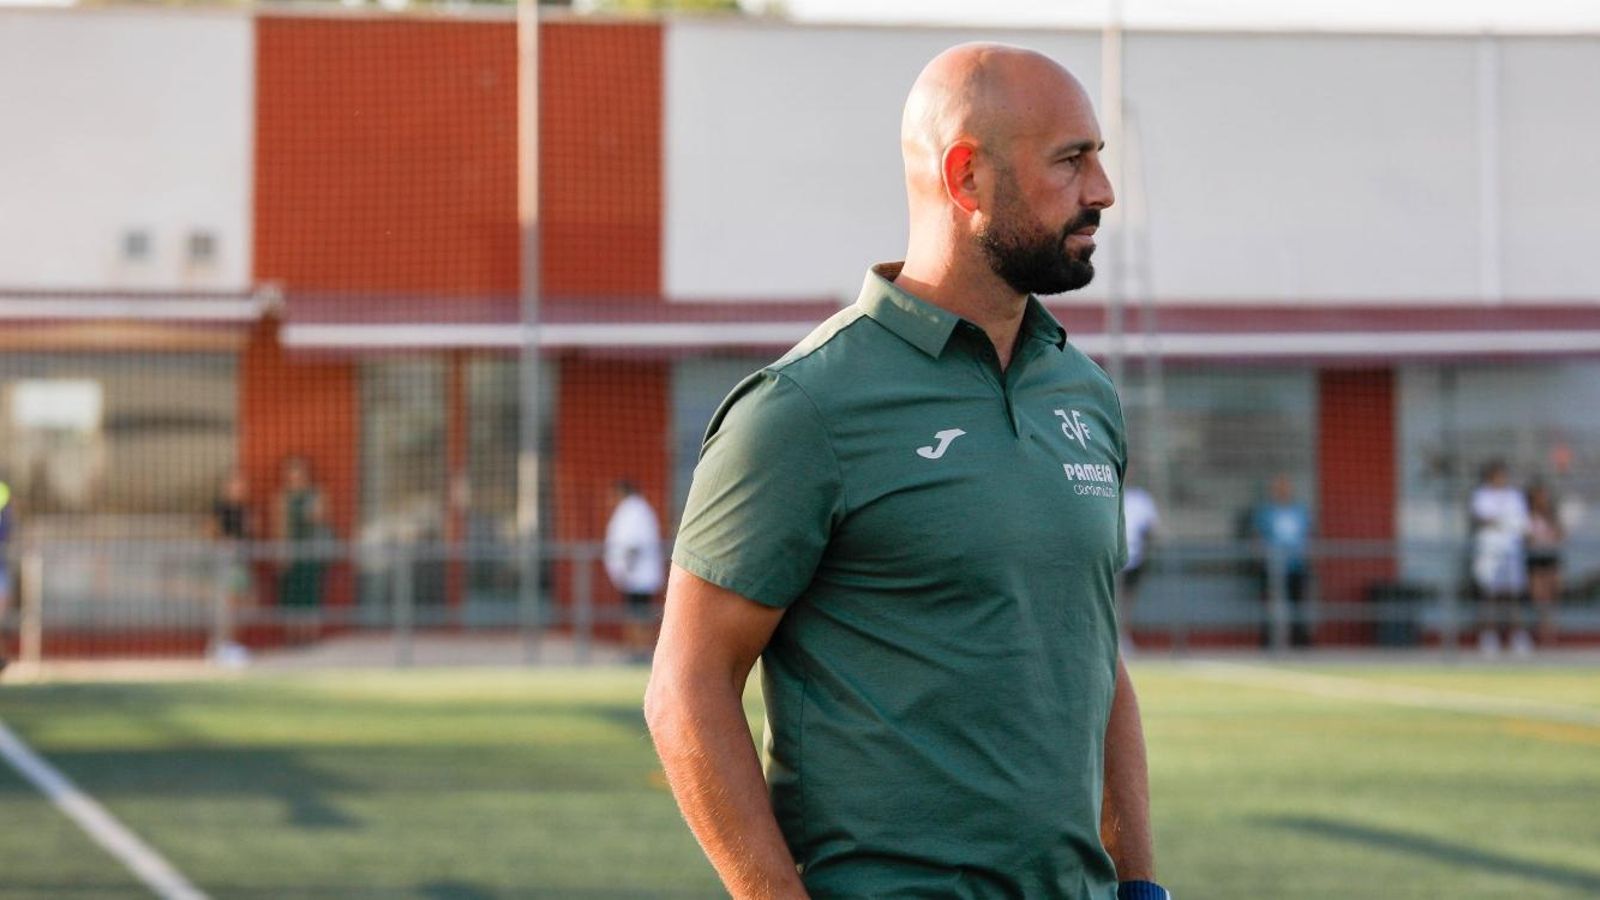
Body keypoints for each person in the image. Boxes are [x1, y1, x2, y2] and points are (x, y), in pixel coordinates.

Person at [646, 43, 1167, 900]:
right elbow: (686, 688)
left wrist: (1140, 883)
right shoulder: (802, 409)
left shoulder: (1085, 392)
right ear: (966, 178)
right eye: (1072, 160)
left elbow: (1095, 655)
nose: (1102, 191)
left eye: (1098, 158)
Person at [1470, 460, 1531, 658]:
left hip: (1512, 550)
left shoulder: (1515, 495)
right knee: (1490, 595)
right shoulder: (1481, 495)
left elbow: (1522, 522)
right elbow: (1484, 518)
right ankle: (1489, 636)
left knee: (1513, 595)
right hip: (1490, 550)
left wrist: (1504, 522)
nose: (1502, 478)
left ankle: (1518, 636)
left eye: (1504, 474)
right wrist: (1506, 521)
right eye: (1498, 474)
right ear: (1490, 476)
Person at [602, 479, 664, 660]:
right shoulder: (635, 509)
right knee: (634, 613)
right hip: (636, 574)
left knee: (638, 615)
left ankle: (640, 651)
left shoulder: (635, 511)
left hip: (637, 575)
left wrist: (624, 570)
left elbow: (633, 543)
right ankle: (635, 650)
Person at [1252, 474, 1313, 648]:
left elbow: (1308, 537)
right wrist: (1261, 559)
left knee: (1298, 606)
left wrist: (1307, 557)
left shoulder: (1300, 511)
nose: (1282, 492)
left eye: (1285, 488)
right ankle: (1269, 643)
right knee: (1271, 607)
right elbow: (1257, 538)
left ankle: (1300, 643)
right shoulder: (1265, 512)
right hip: (1271, 568)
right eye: (1278, 488)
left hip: (1296, 567)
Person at [274, 456, 329, 644]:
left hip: (311, 552)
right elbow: (279, 527)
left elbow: (320, 518)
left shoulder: (316, 494)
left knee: (310, 597)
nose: (295, 476)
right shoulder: (282, 497)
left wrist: (312, 511)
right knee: (292, 597)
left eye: (299, 471)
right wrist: (282, 553)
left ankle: (310, 638)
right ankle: (293, 638)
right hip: (291, 553)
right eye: (291, 472)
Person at [208, 469, 256, 666]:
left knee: (244, 604)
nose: (240, 489)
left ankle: (231, 646)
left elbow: (250, 532)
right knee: (227, 604)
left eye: (242, 485)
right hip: (227, 559)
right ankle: (219, 647)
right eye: (236, 485)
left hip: (242, 559)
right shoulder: (220, 508)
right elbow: (211, 532)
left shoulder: (244, 509)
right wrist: (225, 543)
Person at [1120, 483, 1160, 652]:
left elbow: (1153, 528)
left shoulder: (1142, 498)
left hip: (1133, 557)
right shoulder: (1113, 492)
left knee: (1127, 601)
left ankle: (1123, 637)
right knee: (1113, 599)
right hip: (1112, 556)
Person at [1525, 480, 1563, 649]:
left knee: (1551, 597)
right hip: (1535, 560)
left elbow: (1560, 534)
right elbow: (1528, 539)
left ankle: (1550, 635)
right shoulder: (1528, 515)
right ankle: (1540, 634)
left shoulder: (1551, 516)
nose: (1542, 499)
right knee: (1539, 598)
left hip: (1550, 558)